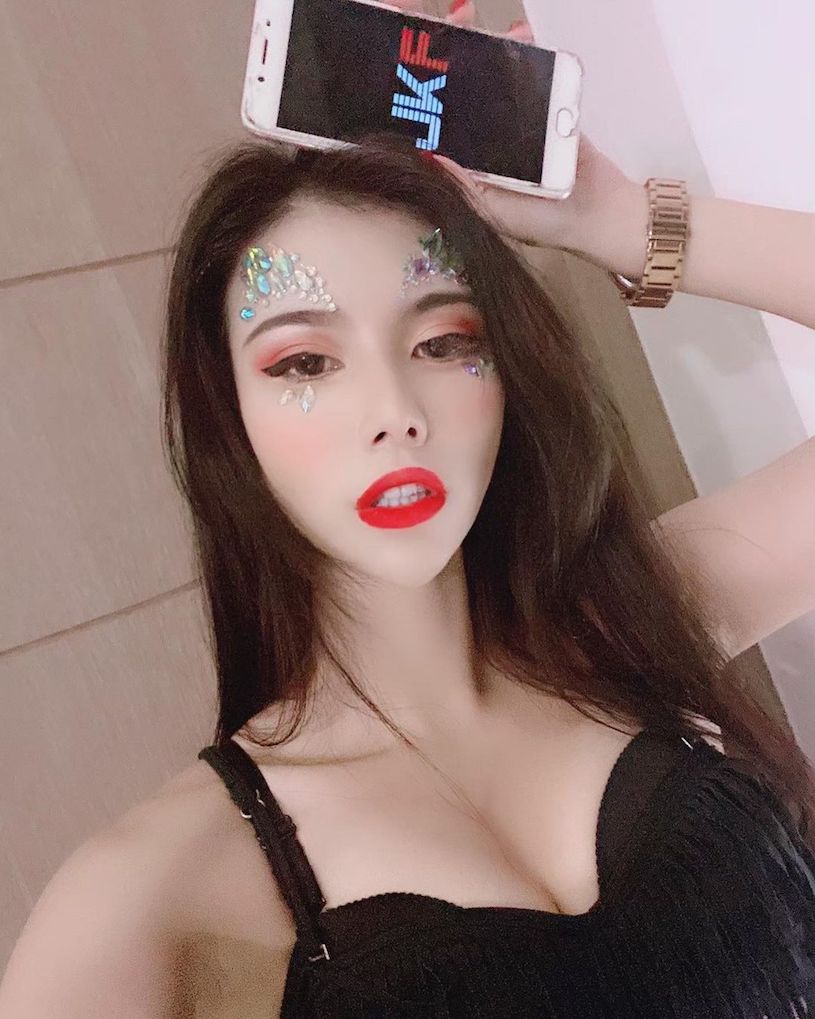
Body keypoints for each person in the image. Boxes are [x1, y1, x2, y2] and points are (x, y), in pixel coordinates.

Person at [3, 5, 815, 1017]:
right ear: (229, 421)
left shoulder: (638, 623)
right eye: (306, 362)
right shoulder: (156, 893)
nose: (394, 410)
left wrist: (605, 218)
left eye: (441, 342)